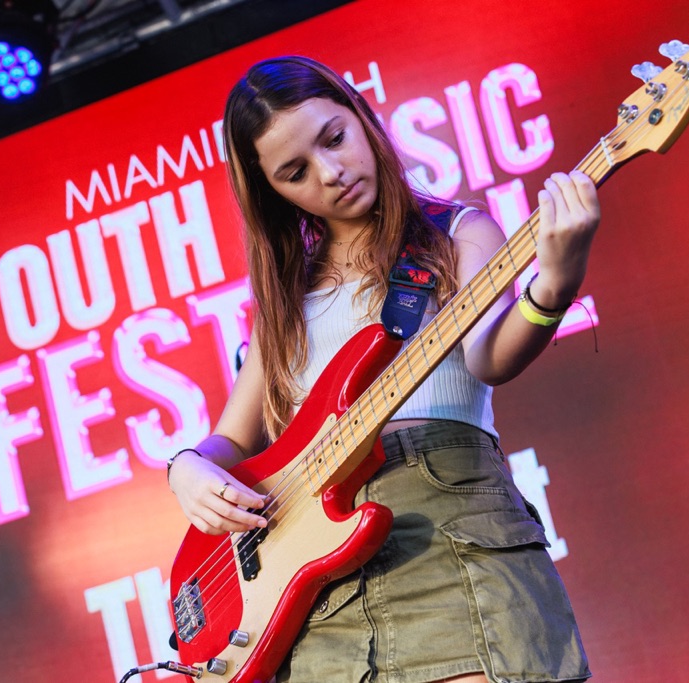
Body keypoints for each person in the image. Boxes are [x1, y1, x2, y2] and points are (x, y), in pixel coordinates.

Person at [168, 55, 599, 683]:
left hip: (450, 533)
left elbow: (489, 357)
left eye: (334, 138)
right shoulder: (282, 299)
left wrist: (554, 287)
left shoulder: (458, 233)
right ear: (273, 193)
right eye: (296, 172)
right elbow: (233, 438)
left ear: (361, 117)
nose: (332, 172)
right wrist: (185, 467)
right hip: (319, 589)